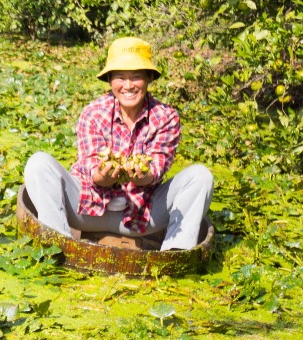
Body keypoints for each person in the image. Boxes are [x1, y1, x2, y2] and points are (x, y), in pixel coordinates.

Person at [23, 37, 213, 251]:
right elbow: (91, 168)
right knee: (38, 163)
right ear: (110, 80)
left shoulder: (166, 117)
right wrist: (103, 176)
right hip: (88, 209)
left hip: (142, 216)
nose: (128, 85)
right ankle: (59, 246)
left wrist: (142, 176)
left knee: (201, 176)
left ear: (149, 78)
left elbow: (156, 169)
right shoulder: (94, 113)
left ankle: (175, 252)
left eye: (136, 77)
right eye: (120, 77)